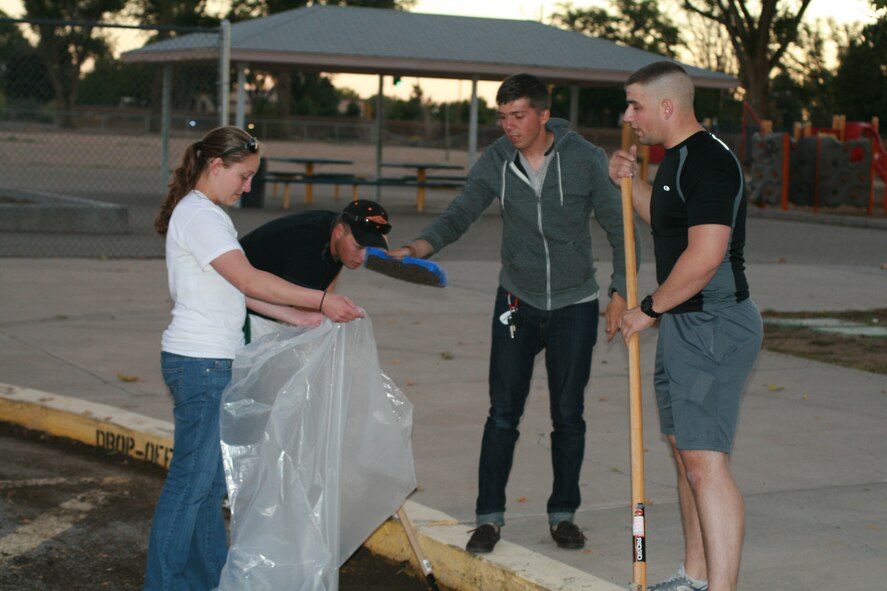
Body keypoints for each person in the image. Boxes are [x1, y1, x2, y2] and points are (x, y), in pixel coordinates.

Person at [388, 73, 634, 554]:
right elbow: (462, 212)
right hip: (516, 302)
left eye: (517, 116)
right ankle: (489, 517)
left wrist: (621, 291)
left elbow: (620, 227)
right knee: (502, 414)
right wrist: (420, 245)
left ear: (543, 115)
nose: (508, 126)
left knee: (569, 415)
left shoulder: (585, 159)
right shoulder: (498, 160)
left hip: (575, 305)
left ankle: (563, 514)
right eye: (502, 117)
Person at [144, 126, 363, 591]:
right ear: (215, 166)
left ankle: (208, 581)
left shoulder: (207, 214)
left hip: (208, 361)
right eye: (243, 177)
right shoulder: (201, 216)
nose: (248, 187)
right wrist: (320, 302)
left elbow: (236, 288)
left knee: (207, 491)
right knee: (190, 486)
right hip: (201, 363)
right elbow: (248, 280)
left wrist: (295, 316)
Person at [608, 62, 762, 591]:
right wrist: (632, 185)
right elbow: (669, 221)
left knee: (705, 463)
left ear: (667, 107)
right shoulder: (675, 159)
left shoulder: (710, 163)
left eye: (635, 105)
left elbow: (705, 255)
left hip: (713, 324)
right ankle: (694, 576)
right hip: (683, 323)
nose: (628, 117)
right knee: (685, 454)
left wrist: (647, 309)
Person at [238, 199, 390, 329]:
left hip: (259, 301)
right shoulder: (309, 245)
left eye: (370, 250)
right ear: (339, 231)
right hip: (234, 301)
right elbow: (305, 316)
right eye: (359, 247)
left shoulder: (336, 231)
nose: (363, 257)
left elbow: (325, 293)